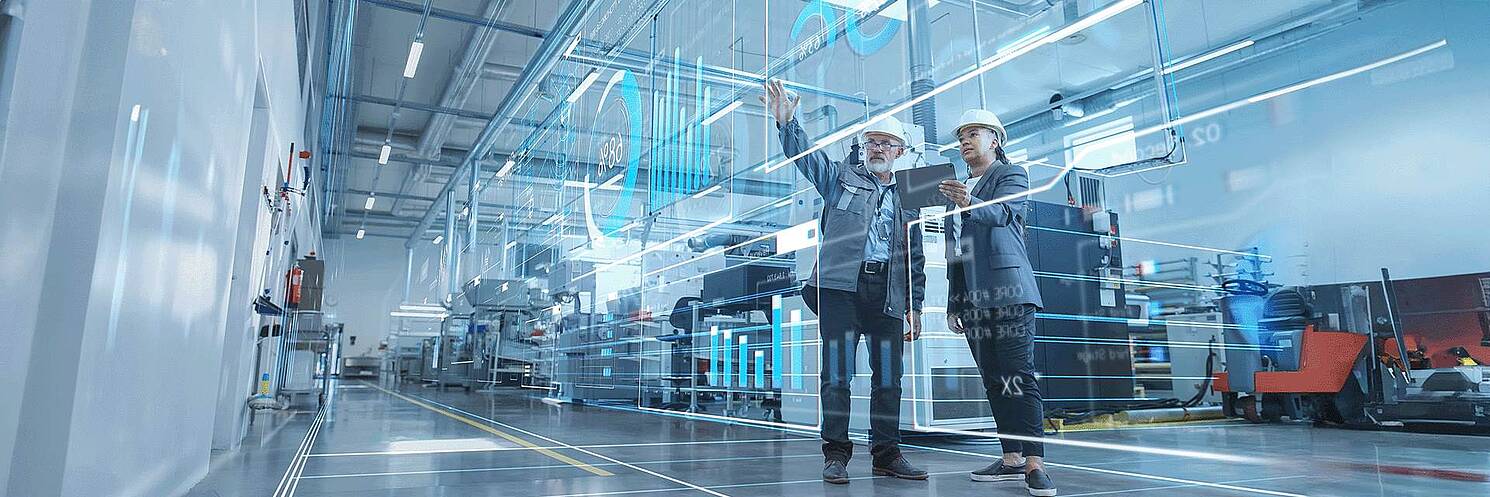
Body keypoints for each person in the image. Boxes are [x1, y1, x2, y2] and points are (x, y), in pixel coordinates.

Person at [760, 79, 927, 484]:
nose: (878, 148)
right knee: (836, 375)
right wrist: (788, 124)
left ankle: (887, 454)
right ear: (864, 147)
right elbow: (807, 159)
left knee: (889, 378)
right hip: (840, 291)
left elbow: (915, 256)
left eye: (887, 144)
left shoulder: (910, 195)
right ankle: (835, 454)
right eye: (873, 142)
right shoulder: (840, 178)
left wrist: (915, 305)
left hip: (888, 293)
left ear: (900, 152)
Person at [937, 109, 1056, 496]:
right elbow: (956, 252)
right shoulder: (954, 191)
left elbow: (1005, 214)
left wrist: (968, 198)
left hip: (1009, 292)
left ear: (995, 140)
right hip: (973, 300)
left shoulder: (1011, 175)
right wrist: (954, 303)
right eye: (961, 137)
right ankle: (1011, 459)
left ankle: (1035, 463)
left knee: (1018, 375)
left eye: (974, 133)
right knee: (994, 380)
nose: (965, 141)